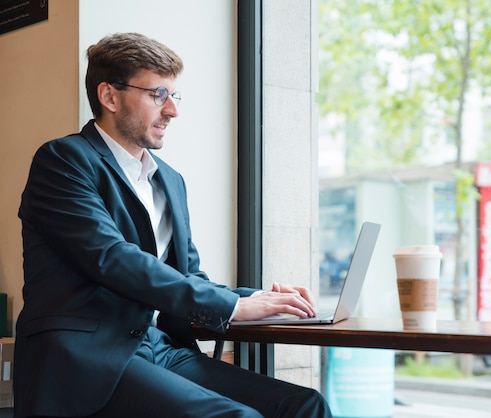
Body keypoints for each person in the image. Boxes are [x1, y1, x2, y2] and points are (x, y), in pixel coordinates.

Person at [15, 32, 332, 418]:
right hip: (87, 357)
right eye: (157, 94)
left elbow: (187, 277)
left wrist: (261, 301)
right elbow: (112, 259)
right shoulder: (64, 160)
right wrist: (233, 307)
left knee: (304, 404)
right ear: (109, 96)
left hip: (157, 346)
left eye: (173, 96)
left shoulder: (170, 180)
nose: (172, 111)